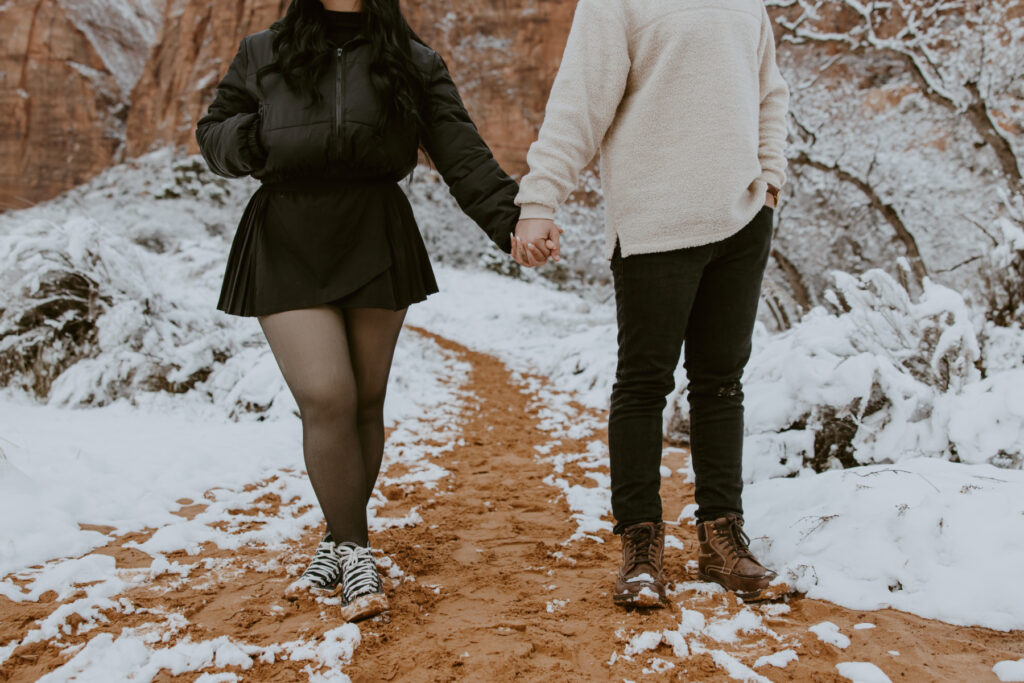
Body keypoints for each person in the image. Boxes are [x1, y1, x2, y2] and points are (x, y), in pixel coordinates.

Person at [196, 0, 523, 622]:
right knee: (327, 397)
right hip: (287, 230)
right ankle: (355, 549)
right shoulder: (263, 50)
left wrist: (510, 224)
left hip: (374, 229)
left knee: (366, 399)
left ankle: (335, 540)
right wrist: (256, 137)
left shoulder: (414, 60)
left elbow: (462, 152)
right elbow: (213, 132)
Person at [512, 0, 789, 607]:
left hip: (743, 220)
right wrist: (541, 199)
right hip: (654, 221)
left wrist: (770, 181)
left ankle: (722, 543)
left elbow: (770, 92)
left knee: (721, 383)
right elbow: (580, 101)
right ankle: (641, 549)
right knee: (644, 385)